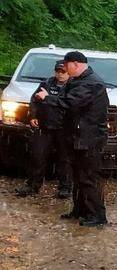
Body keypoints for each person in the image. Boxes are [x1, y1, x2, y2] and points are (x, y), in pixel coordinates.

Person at [35, 51, 109, 227]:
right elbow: (64, 99)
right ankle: (80, 210)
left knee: (89, 178)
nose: (65, 70)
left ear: (75, 64)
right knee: (78, 177)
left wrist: (47, 98)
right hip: (77, 137)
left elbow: (70, 103)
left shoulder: (91, 83)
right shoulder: (78, 81)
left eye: (66, 66)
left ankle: (97, 215)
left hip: (89, 138)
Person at [15, 60, 73, 198]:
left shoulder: (73, 86)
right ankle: (32, 186)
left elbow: (71, 104)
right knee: (37, 156)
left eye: (63, 72)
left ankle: (65, 188)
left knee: (64, 159)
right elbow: (35, 100)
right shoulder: (46, 83)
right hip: (44, 126)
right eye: (58, 71)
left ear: (69, 73)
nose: (60, 74)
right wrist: (33, 116)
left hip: (63, 128)